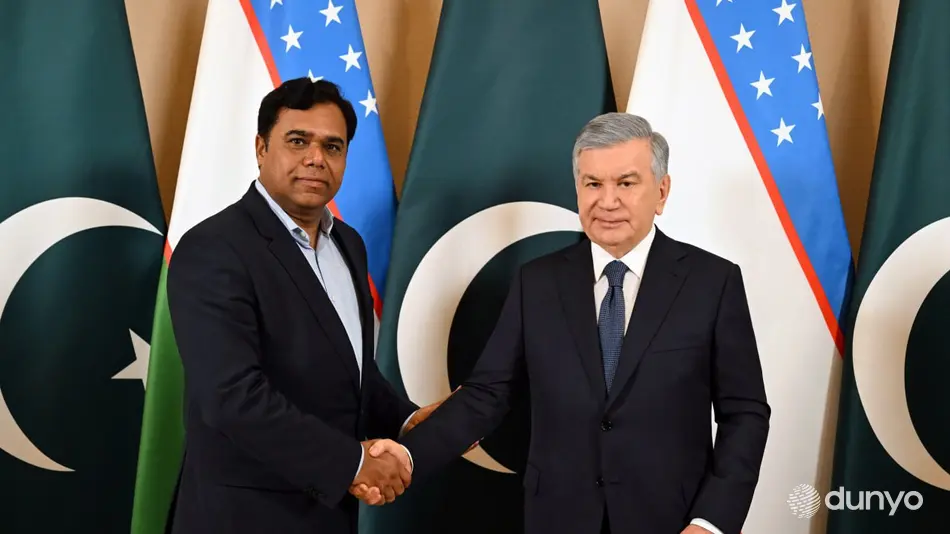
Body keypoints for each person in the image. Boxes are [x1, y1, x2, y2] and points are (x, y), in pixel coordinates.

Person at [364, 113, 771, 534]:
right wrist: (407, 455)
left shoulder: (712, 282)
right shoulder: (537, 282)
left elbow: (745, 414)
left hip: (674, 520)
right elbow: (487, 394)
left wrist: (711, 522)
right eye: (593, 184)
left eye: (626, 183)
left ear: (661, 192)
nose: (607, 201)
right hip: (559, 518)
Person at [165, 78, 423, 533]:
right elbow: (232, 397)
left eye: (332, 146)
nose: (316, 158)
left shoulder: (349, 244)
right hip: (241, 518)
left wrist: (408, 420)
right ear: (261, 148)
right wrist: (353, 463)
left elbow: (349, 369)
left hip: (329, 515)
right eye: (298, 141)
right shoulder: (214, 247)